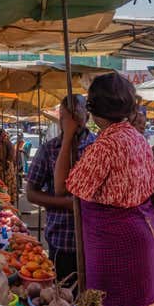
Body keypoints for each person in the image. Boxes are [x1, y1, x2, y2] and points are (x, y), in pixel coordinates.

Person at [54, 72, 154, 306]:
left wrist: (68, 134)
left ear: (93, 110)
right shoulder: (137, 137)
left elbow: (62, 187)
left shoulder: (105, 146)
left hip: (118, 245)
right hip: (146, 235)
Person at [26, 94, 94, 280]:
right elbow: (31, 193)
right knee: (63, 293)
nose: (70, 121)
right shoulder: (48, 149)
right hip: (61, 238)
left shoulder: (97, 148)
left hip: (94, 240)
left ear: (86, 117)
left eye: (76, 115)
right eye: (65, 117)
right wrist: (65, 204)